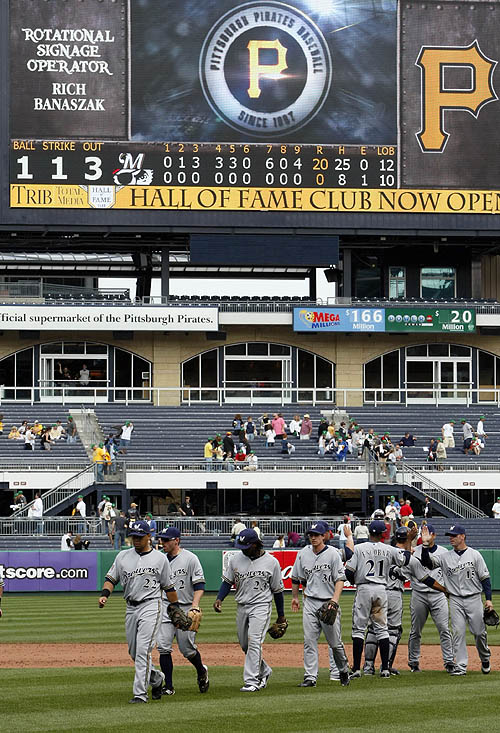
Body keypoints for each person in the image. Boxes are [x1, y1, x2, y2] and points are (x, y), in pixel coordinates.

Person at [99, 519, 186, 703]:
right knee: (133, 652)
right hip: (130, 607)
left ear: (149, 536)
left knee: (143, 651)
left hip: (151, 605)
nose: (136, 540)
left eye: (140, 537)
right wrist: (105, 594)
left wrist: (176, 607)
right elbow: (111, 578)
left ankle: (140, 694)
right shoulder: (122, 556)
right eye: (133, 536)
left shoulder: (160, 558)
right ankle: (157, 679)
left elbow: (168, 587)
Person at [213, 527, 286, 692]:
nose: (243, 550)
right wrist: (219, 598)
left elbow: (278, 591)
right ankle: (265, 670)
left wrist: (281, 616)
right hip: (241, 606)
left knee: (254, 641)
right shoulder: (235, 559)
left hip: (261, 606)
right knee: (245, 644)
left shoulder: (271, 562)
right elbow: (227, 582)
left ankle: (252, 680)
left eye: (246, 547)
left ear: (256, 544)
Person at [420, 523, 494, 675]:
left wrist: (488, 599)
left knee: (479, 633)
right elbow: (426, 563)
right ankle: (461, 666)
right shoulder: (445, 556)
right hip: (455, 599)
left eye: (454, 535)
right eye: (449, 536)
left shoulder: (475, 555)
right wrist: (425, 545)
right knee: (458, 632)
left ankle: (485, 658)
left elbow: (485, 578)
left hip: (473, 597)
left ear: (463, 536)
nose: (451, 538)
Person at [345, 520, 412, 678]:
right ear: (383, 534)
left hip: (364, 588)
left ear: (369, 533)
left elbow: (349, 572)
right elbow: (406, 559)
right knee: (383, 630)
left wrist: (355, 582)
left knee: (359, 630)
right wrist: (409, 541)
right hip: (381, 590)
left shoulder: (359, 548)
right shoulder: (389, 549)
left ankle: (356, 669)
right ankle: (386, 669)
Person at [291, 520, 350, 687]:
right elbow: (296, 578)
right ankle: (310, 676)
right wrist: (295, 597)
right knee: (309, 640)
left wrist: (334, 601)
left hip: (328, 602)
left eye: (317, 535)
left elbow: (340, 580)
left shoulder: (332, 554)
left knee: (335, 643)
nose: (313, 537)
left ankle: (343, 669)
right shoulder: (303, 553)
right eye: (311, 535)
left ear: (324, 536)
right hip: (309, 601)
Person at [156, 527, 209, 695]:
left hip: (185, 607)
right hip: (166, 606)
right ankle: (168, 686)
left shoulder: (190, 559)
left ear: (176, 540)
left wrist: (195, 605)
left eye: (166, 540)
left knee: (187, 650)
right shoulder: (160, 560)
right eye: (161, 540)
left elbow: (199, 585)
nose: (162, 543)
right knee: (163, 646)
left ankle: (201, 671)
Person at [408, 523, 455, 673]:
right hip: (419, 594)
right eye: (423, 534)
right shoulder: (415, 551)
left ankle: (449, 661)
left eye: (428, 534)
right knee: (416, 631)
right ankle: (413, 662)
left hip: (438, 595)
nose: (425, 536)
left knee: (444, 629)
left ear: (434, 535)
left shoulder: (443, 552)